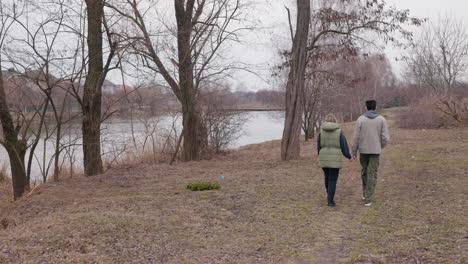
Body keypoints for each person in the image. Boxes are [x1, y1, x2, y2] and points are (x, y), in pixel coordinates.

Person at [352, 100, 390, 206]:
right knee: (372, 173)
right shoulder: (382, 119)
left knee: (365, 172)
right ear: (376, 107)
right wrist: (380, 146)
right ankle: (368, 197)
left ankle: (366, 194)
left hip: (363, 150)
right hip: (375, 151)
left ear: (366, 107)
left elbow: (355, 137)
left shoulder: (360, 119)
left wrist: (354, 151)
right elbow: (385, 138)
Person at [317, 114, 352, 207]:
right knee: (332, 179)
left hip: (324, 157)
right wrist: (349, 156)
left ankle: (329, 195)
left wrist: (320, 156)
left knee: (327, 177)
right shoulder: (339, 132)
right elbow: (344, 146)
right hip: (335, 159)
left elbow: (318, 146)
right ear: (335, 121)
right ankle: (330, 201)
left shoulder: (321, 132)